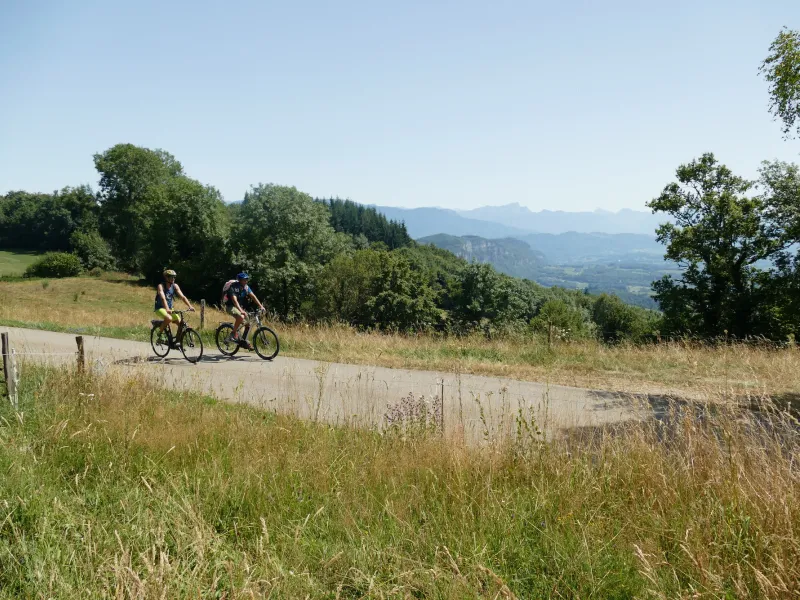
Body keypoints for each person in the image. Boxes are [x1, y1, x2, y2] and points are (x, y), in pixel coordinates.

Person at [224, 272, 265, 349]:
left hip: (239, 307)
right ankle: (233, 333)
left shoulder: (246, 287)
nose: (246, 281)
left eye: (247, 279)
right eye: (244, 280)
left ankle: (243, 341)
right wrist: (241, 310)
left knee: (248, 324)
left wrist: (261, 306)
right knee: (241, 316)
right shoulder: (233, 287)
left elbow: (253, 296)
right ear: (239, 280)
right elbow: (234, 301)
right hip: (231, 306)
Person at [154, 269, 194, 345]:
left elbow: (182, 297)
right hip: (160, 308)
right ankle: (160, 334)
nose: (173, 279)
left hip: (170, 309)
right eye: (171, 277)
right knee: (169, 318)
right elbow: (163, 298)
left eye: (174, 277)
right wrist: (167, 309)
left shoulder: (175, 286)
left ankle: (177, 341)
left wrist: (190, 306)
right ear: (166, 278)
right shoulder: (161, 286)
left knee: (181, 324)